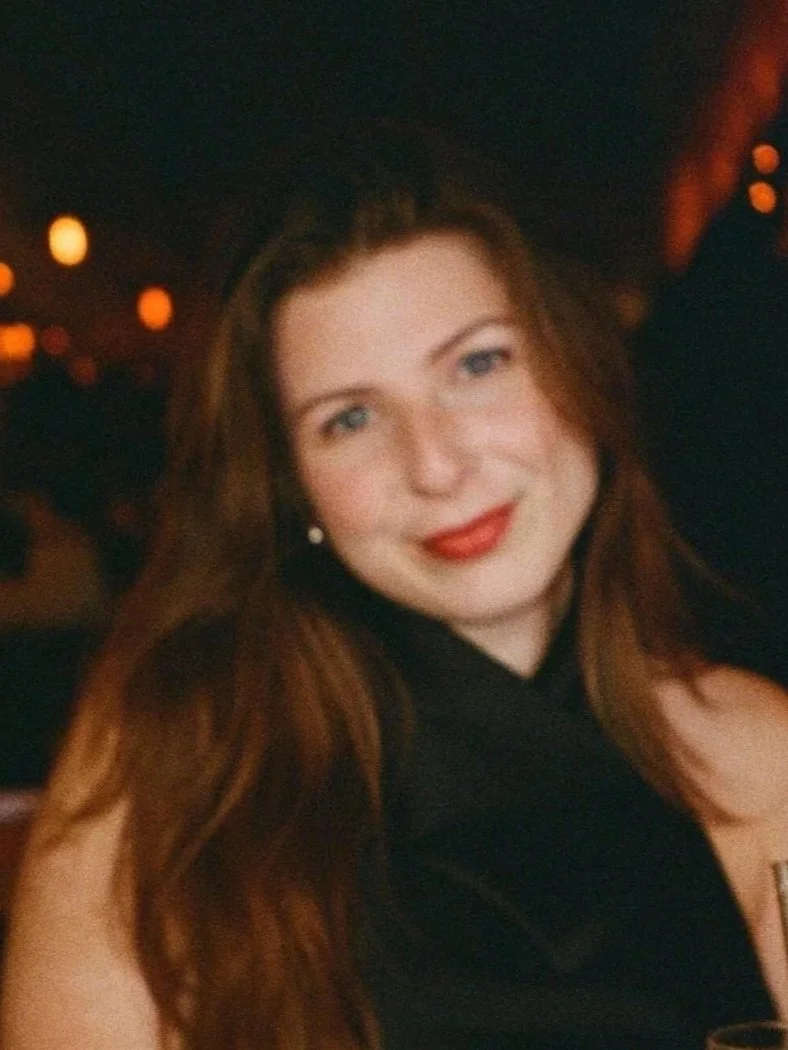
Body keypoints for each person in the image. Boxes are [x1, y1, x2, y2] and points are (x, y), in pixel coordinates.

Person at [3, 121, 788, 1050]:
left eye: (478, 364)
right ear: (293, 487)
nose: (436, 465)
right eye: (351, 419)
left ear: (577, 370)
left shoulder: (755, 750)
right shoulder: (179, 758)